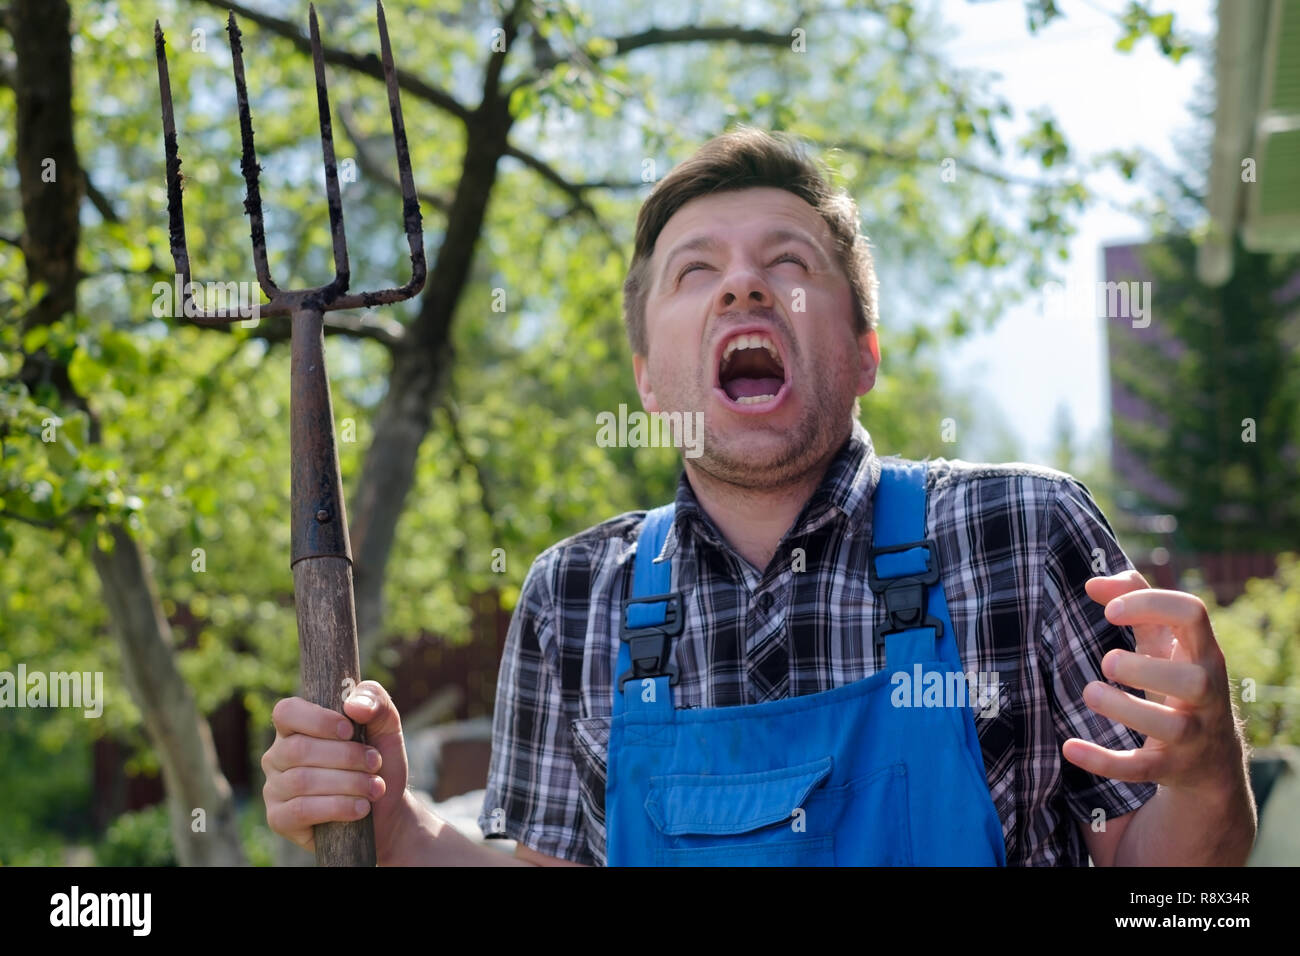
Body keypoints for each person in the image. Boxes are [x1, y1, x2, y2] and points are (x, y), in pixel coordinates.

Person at [261, 128, 1256, 866]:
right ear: (649, 380)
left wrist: (1208, 772)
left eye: (788, 265)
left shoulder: (1021, 533)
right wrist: (393, 822)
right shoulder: (572, 595)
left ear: (864, 352)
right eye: (696, 272)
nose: (743, 288)